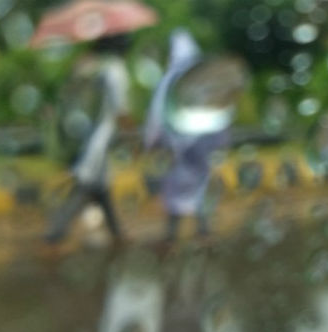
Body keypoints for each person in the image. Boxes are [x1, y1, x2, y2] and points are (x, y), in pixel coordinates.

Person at [143, 29, 232, 241]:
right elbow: (220, 111)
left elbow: (156, 115)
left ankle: (173, 236)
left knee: (175, 190)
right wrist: (221, 142)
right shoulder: (202, 77)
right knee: (200, 187)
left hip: (175, 146)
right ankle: (203, 232)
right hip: (201, 147)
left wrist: (152, 142)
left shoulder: (168, 80)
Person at [45, 34, 131, 244]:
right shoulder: (116, 69)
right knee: (85, 186)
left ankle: (117, 233)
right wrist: (131, 135)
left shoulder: (91, 67)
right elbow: (121, 110)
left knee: (101, 188)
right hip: (100, 138)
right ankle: (55, 233)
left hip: (83, 134)